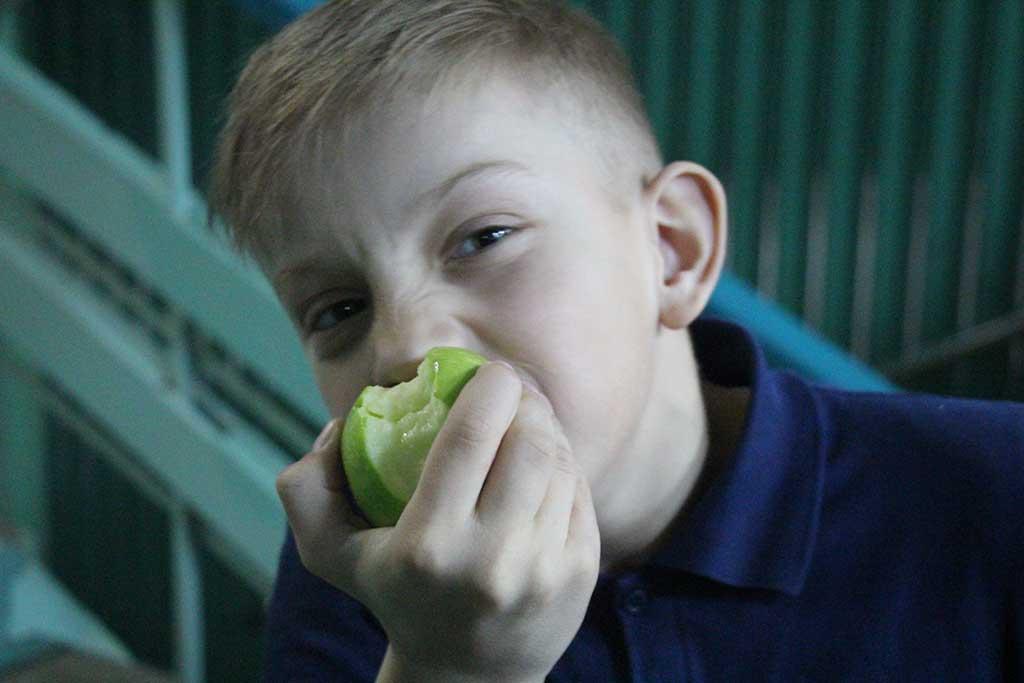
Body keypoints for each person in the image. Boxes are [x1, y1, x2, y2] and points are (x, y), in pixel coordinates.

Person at [207, 1, 1024, 680]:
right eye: (338, 309)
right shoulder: (362, 580)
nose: (401, 345)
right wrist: (446, 665)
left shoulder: (994, 494)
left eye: (484, 237)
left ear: (672, 250)